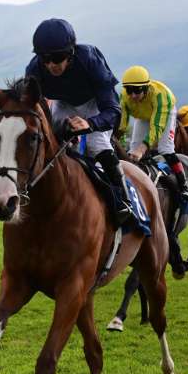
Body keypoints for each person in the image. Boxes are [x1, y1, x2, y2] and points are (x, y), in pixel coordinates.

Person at [24, 18, 132, 224]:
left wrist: (91, 124)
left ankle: (122, 200)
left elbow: (113, 111)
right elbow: (30, 108)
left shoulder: (90, 59)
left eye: (57, 58)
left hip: (94, 103)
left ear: (71, 53)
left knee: (96, 143)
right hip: (62, 103)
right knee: (51, 142)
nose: (51, 65)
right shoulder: (34, 69)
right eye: (45, 59)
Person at [116, 65, 188, 201]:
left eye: (137, 90)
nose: (133, 95)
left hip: (163, 113)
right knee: (132, 151)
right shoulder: (124, 97)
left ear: (146, 88)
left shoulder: (161, 95)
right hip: (143, 115)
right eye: (129, 90)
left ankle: (184, 185)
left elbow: (157, 126)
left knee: (165, 149)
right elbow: (122, 124)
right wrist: (117, 142)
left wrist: (142, 148)